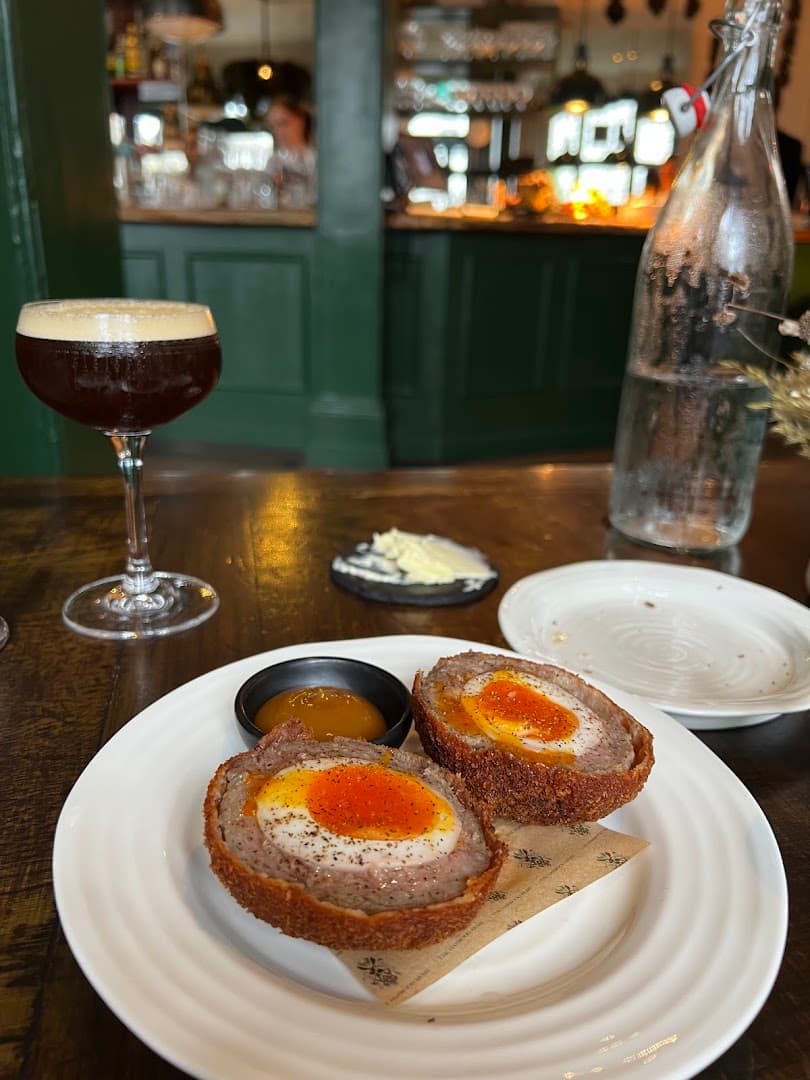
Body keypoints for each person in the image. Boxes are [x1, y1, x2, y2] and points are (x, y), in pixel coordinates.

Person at [264, 94, 316, 209]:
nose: (279, 131)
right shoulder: (274, 161)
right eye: (274, 126)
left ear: (300, 120)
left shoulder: (317, 158)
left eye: (283, 123)